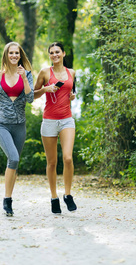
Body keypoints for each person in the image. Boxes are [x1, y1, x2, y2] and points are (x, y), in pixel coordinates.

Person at [0, 42, 34, 216]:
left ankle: (9, 199)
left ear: (20, 55)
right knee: (13, 158)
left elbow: (30, 98)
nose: (14, 55)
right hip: (2, 124)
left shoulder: (27, 74)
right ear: (6, 55)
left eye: (17, 53)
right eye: (11, 53)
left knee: (14, 163)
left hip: (20, 125)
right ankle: (7, 200)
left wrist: (24, 79)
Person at [34, 42, 77, 214]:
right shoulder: (45, 72)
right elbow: (32, 95)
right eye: (51, 53)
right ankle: (54, 197)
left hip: (67, 119)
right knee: (52, 162)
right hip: (49, 120)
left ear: (63, 53)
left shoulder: (71, 72)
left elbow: (71, 92)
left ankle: (67, 194)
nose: (54, 55)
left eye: (57, 52)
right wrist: (46, 89)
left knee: (67, 158)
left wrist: (72, 96)